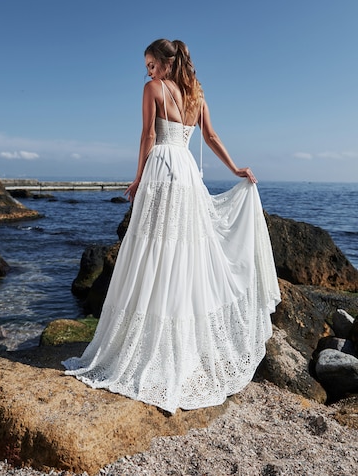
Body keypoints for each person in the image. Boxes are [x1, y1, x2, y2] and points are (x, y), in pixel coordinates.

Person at [63, 39, 280, 414]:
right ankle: (177, 345)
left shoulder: (153, 89)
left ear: (165, 63)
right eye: (145, 66)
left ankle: (149, 345)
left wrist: (136, 178)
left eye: (151, 64)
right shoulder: (196, 93)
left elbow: (148, 135)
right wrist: (236, 169)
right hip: (188, 175)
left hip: (162, 171)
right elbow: (210, 138)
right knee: (183, 253)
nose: (147, 71)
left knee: (152, 250)